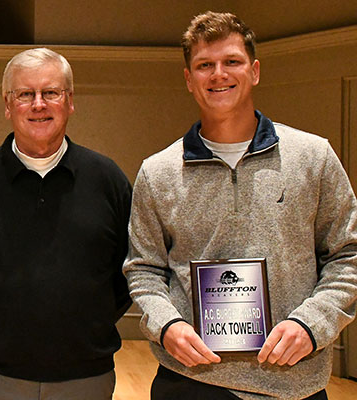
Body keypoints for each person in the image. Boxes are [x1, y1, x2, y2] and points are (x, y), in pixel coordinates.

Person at [123, 11, 357, 400]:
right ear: (188, 78)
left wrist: (311, 324)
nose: (218, 74)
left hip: (294, 383)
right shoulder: (157, 172)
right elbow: (144, 269)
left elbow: (348, 255)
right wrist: (167, 326)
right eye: (204, 65)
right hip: (192, 381)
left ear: (255, 71)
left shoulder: (313, 157)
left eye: (231, 61)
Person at [0, 47, 132, 399]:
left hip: (86, 376)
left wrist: (89, 323)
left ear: (70, 101)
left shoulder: (108, 181)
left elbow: (130, 270)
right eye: (25, 94)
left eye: (51, 93)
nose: (38, 104)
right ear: (7, 104)